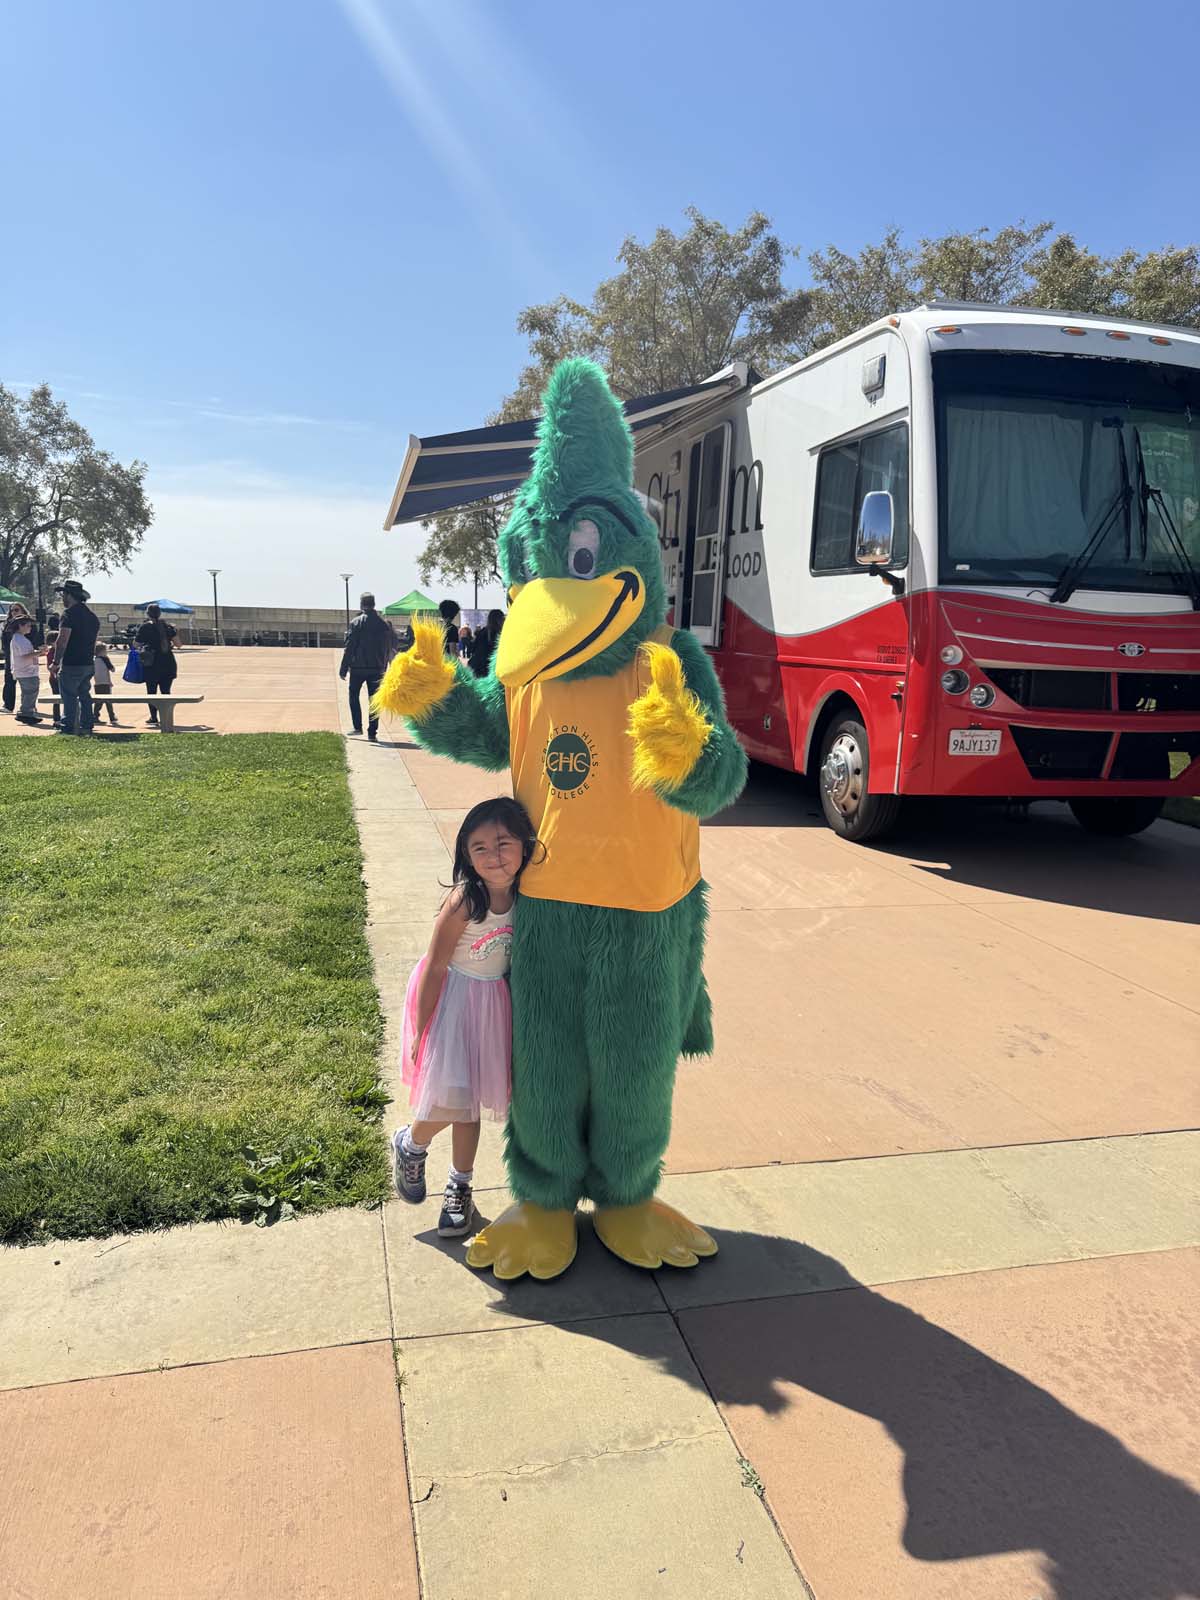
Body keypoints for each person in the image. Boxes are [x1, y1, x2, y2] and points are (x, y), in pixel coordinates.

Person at [392, 796, 539, 1238]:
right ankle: (412, 1143)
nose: (494, 856)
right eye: (480, 848)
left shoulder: (528, 892)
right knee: (452, 1097)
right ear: (466, 856)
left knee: (471, 1100)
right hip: (451, 1001)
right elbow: (435, 966)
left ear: (524, 846)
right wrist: (422, 1027)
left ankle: (459, 1190)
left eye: (503, 843)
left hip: (492, 1004)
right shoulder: (464, 902)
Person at [339, 591, 397, 742]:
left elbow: (350, 647)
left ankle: (357, 727)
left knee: (353, 695)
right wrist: (385, 667)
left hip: (358, 668)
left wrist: (344, 667)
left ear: (361, 604)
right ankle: (372, 732)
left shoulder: (356, 622)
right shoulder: (384, 625)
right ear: (374, 604)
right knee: (374, 700)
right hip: (377, 668)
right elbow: (389, 647)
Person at [49, 581, 100, 735]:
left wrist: (55, 662)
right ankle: (87, 725)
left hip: (72, 663)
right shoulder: (92, 616)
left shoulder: (69, 615)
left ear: (70, 595)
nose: (62, 598)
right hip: (87, 663)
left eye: (64, 594)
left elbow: (62, 640)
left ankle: (68, 727)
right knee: (85, 695)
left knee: (69, 696)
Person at [135, 604, 178, 725]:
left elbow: (136, 644)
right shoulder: (168, 627)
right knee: (166, 692)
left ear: (148, 614)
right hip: (168, 663)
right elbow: (179, 644)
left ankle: (153, 717)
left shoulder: (145, 627)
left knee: (151, 692)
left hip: (151, 663)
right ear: (160, 613)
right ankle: (167, 716)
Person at [9, 615, 44, 724]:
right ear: (20, 626)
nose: (30, 628)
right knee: (31, 693)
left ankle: (27, 713)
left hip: (25, 671)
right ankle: (26, 713)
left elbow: (26, 654)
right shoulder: (20, 639)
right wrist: (39, 652)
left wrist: (37, 652)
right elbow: (25, 655)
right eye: (28, 625)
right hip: (26, 672)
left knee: (28, 693)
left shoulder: (19, 638)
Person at [2, 602, 32, 713]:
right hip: (11, 656)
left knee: (27, 681)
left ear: (22, 610)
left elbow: (34, 638)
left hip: (25, 655)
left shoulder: (28, 623)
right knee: (9, 679)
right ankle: (8, 705)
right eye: (12, 610)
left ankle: (29, 706)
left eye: (16, 610)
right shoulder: (7, 624)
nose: (14, 612)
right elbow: (4, 640)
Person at [468, 609, 505, 678]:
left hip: (477, 666)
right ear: (500, 619)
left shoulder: (481, 632)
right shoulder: (500, 635)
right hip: (491, 668)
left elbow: (472, 649)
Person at [92, 640, 120, 725]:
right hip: (105, 683)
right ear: (102, 652)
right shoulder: (105, 659)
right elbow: (112, 669)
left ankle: (95, 716)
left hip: (97, 683)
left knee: (98, 701)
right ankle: (112, 717)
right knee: (108, 701)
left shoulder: (93, 660)